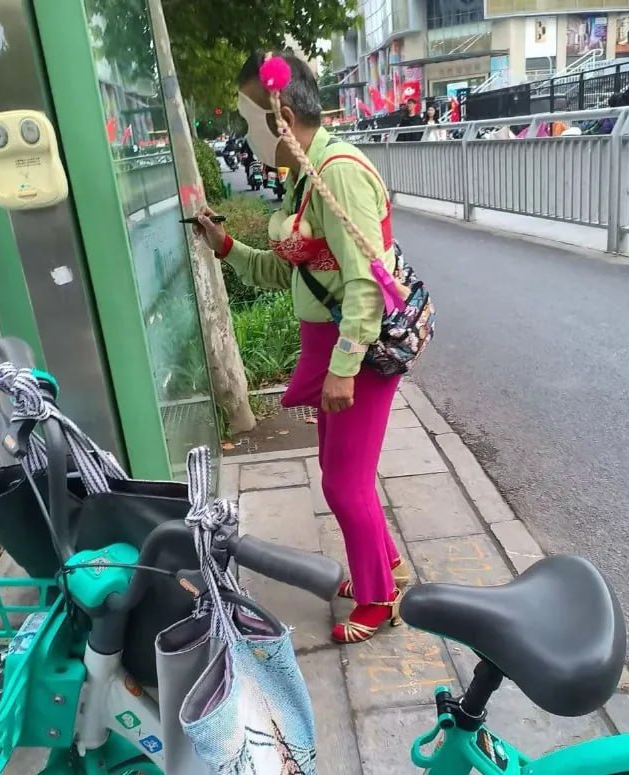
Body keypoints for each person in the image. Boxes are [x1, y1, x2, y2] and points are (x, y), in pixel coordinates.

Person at [196, 51, 406, 644]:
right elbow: (289, 272)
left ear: (282, 115)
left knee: (344, 482)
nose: (243, 136)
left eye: (247, 121)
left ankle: (379, 598)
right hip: (337, 349)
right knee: (344, 474)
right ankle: (384, 565)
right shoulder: (306, 176)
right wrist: (224, 244)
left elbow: (366, 280)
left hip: (357, 352)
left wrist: (343, 367)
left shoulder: (337, 173)